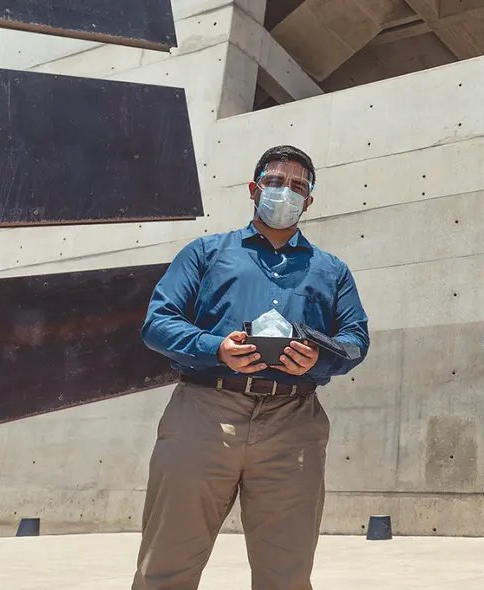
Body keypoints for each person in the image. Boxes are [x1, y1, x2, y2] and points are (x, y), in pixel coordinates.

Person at [132, 145, 370, 589]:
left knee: (287, 574)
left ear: (310, 200)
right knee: (166, 565)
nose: (286, 192)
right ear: (254, 188)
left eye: (298, 186)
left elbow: (357, 339)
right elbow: (158, 322)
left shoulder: (332, 270)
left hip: (294, 423)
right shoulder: (205, 252)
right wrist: (214, 347)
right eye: (276, 181)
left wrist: (323, 357)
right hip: (203, 413)